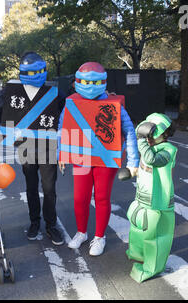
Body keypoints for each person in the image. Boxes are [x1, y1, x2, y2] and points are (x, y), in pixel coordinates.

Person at [0, 51, 65, 246]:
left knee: (49, 189)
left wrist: (105, 97)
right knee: (31, 188)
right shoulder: (11, 91)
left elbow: (72, 107)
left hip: (48, 146)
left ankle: (51, 225)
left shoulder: (53, 93)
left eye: (40, 71)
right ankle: (34, 222)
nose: (36, 75)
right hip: (25, 145)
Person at [58, 62, 139, 256]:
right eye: (86, 81)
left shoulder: (113, 104)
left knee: (102, 197)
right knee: (80, 198)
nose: (90, 85)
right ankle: (81, 232)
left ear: (103, 82)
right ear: (77, 81)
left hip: (106, 158)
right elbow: (62, 128)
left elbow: (129, 131)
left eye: (95, 81)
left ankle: (100, 236)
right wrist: (61, 153)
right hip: (81, 157)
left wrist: (133, 162)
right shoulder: (72, 102)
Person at [125, 113, 177, 283]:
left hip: (158, 203)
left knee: (155, 237)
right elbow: (145, 165)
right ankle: (138, 254)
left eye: (152, 133)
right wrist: (131, 172)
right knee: (138, 228)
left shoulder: (168, 150)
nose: (149, 137)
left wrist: (140, 139)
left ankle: (151, 268)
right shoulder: (150, 146)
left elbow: (151, 160)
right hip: (142, 199)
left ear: (165, 133)